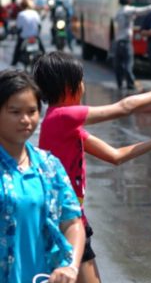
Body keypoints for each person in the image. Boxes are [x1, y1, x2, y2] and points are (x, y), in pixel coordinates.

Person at [32, 51, 151, 283]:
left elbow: (116, 156)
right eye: (80, 81)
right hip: (65, 220)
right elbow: (124, 107)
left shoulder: (64, 124)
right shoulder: (63, 116)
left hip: (70, 216)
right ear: (68, 86)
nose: (83, 86)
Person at [0, 70, 85, 283]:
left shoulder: (49, 165)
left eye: (32, 111)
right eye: (15, 111)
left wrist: (71, 267)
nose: (25, 120)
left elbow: (72, 222)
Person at [114, 0, 151, 91]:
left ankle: (119, 84)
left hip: (118, 42)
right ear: (129, 1)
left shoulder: (118, 12)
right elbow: (142, 11)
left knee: (119, 65)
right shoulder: (128, 10)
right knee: (128, 64)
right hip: (126, 42)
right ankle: (130, 84)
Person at [11, 0, 44, 66]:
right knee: (42, 50)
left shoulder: (21, 14)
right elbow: (39, 25)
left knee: (17, 49)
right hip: (35, 36)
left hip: (24, 37)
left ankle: (14, 62)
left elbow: (19, 27)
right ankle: (45, 61)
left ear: (22, 6)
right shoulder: (35, 13)